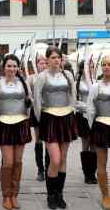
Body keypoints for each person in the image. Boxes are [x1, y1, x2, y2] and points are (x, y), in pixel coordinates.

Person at [34, 46, 77, 209]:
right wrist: (41, 120)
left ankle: (59, 194)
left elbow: (73, 96)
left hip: (66, 118)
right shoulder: (42, 77)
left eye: (58, 57)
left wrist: (71, 112)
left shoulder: (68, 75)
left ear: (61, 59)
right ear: (47, 60)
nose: (56, 60)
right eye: (52, 57)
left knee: (63, 159)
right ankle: (50, 195)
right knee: (55, 159)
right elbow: (37, 100)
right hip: (49, 119)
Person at [0, 54, 32, 210]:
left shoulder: (24, 83)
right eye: (9, 66)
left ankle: (15, 194)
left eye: (15, 66)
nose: (12, 69)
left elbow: (29, 102)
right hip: (4, 125)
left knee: (18, 162)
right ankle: (6, 195)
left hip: (21, 124)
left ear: (18, 68)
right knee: (8, 162)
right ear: (3, 67)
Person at [87, 55, 110, 210]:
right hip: (101, 126)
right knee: (101, 162)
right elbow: (90, 107)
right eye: (104, 64)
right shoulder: (96, 86)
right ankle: (105, 196)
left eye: (109, 64)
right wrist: (92, 126)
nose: (107, 67)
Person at [27, 55, 49, 182]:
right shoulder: (32, 78)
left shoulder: (49, 77)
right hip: (36, 110)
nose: (43, 65)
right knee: (39, 139)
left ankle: (48, 168)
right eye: (41, 63)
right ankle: (40, 169)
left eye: (45, 63)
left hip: (48, 111)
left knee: (49, 140)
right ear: (36, 64)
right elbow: (28, 93)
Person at [75, 60, 97, 184]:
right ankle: (86, 173)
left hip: (94, 116)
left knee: (94, 144)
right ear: (82, 69)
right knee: (86, 143)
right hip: (83, 116)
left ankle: (92, 174)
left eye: (92, 67)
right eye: (88, 67)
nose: (90, 69)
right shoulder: (78, 82)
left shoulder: (96, 82)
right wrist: (85, 107)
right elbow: (74, 101)